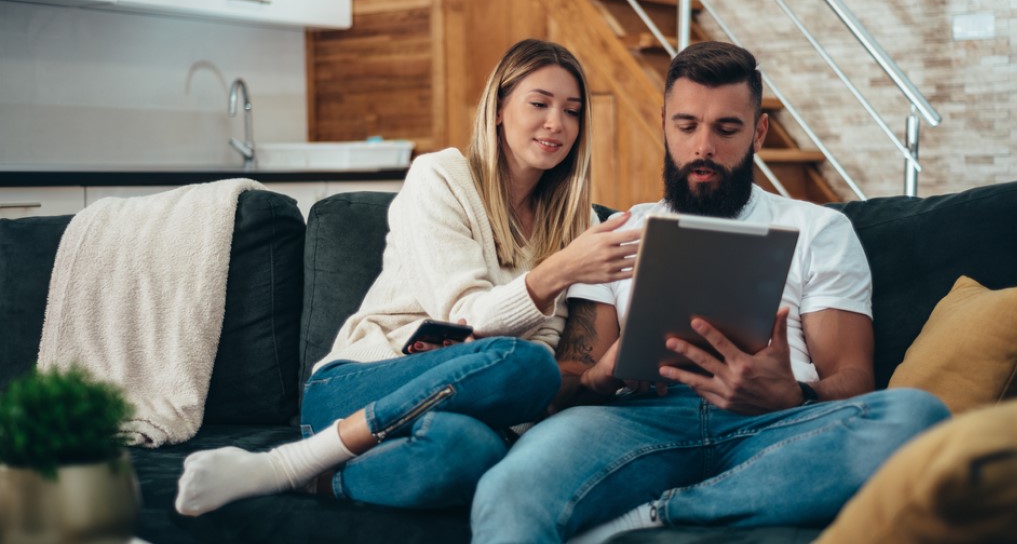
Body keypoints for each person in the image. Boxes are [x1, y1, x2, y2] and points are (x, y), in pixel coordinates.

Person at [470, 41, 951, 543]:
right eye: (686, 126)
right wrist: (603, 374)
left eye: (726, 129)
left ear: (758, 132)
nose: (703, 147)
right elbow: (568, 380)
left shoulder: (819, 229)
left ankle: (662, 513)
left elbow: (853, 379)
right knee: (509, 490)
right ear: (663, 125)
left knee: (918, 418)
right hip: (637, 419)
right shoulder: (618, 231)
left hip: (775, 426)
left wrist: (794, 394)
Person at [174, 39, 641, 516]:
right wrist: (559, 270)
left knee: (467, 452)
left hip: (467, 406)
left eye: (572, 111)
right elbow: (465, 314)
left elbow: (544, 347)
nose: (556, 123)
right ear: (498, 108)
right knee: (527, 366)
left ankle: (311, 479)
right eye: (539, 103)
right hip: (359, 386)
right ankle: (290, 461)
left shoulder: (575, 222)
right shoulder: (439, 177)